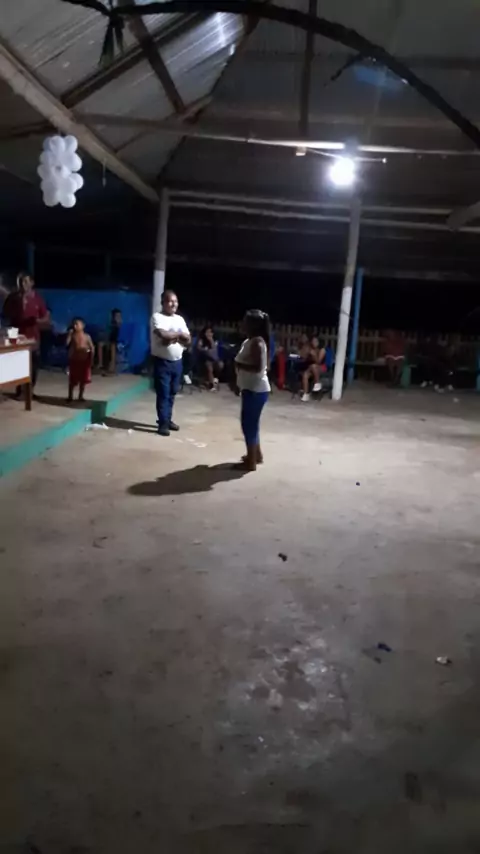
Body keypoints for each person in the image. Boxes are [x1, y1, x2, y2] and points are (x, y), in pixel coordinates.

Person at [235, 309, 271, 471]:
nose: (243, 324)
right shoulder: (251, 341)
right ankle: (256, 455)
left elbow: (258, 368)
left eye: (246, 321)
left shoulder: (257, 343)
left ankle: (251, 462)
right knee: (251, 424)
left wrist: (238, 365)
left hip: (256, 390)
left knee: (249, 425)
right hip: (251, 388)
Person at [2, 272, 50, 394]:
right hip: (16, 334)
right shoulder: (13, 298)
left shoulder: (37, 299)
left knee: (33, 364)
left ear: (32, 283)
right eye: (20, 282)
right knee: (17, 363)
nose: (22, 284)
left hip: (33, 335)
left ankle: (30, 390)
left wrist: (38, 321)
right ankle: (19, 390)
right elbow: (5, 313)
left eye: (25, 281)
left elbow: (45, 316)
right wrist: (19, 305)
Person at [151, 290, 191, 436]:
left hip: (177, 362)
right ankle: (162, 423)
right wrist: (179, 335)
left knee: (173, 392)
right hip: (162, 361)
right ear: (163, 303)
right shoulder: (157, 317)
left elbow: (188, 339)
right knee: (163, 392)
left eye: (175, 301)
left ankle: (167, 419)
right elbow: (163, 335)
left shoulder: (179, 319)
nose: (173, 304)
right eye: (170, 301)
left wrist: (172, 337)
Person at [66, 318, 94, 403]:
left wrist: (91, 358)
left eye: (77, 324)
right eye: (74, 324)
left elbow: (92, 347)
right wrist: (69, 335)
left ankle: (80, 396)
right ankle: (70, 396)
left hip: (84, 361)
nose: (75, 326)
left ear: (83, 326)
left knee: (83, 380)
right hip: (74, 360)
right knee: (72, 380)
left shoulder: (87, 336)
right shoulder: (73, 336)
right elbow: (67, 344)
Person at [300, 335, 326, 402]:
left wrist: (314, 355)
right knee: (305, 374)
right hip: (312, 368)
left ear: (319, 342)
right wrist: (305, 353)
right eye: (313, 341)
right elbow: (304, 358)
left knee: (313, 366)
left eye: (315, 341)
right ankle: (306, 394)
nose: (314, 342)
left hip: (321, 367)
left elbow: (319, 362)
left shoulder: (322, 350)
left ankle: (317, 383)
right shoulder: (311, 349)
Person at [197, 325, 224, 389]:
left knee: (220, 364)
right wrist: (206, 351)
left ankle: (215, 379)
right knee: (209, 365)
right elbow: (199, 348)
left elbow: (214, 350)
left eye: (210, 332)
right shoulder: (201, 340)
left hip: (215, 359)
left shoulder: (215, 340)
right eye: (207, 332)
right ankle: (212, 384)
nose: (208, 334)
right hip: (205, 359)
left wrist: (211, 340)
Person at [97, 308, 122, 374]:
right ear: (113, 317)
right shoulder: (111, 325)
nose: (118, 317)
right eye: (116, 316)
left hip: (114, 342)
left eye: (119, 316)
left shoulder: (118, 325)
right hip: (110, 340)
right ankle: (100, 364)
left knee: (112, 346)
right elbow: (107, 335)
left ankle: (112, 367)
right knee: (100, 344)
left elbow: (115, 338)